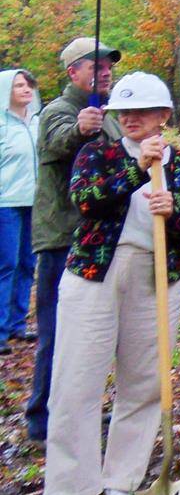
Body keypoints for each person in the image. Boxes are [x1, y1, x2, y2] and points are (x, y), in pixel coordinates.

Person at [43, 73, 180, 495]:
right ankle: (67, 489)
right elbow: (86, 200)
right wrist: (138, 169)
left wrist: (172, 212)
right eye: (124, 112)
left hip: (157, 277)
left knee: (144, 381)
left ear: (165, 116)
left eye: (143, 111)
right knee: (76, 379)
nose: (132, 119)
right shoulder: (98, 153)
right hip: (96, 273)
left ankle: (123, 478)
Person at [26, 38, 122, 447]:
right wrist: (80, 130)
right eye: (95, 66)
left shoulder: (109, 116)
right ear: (73, 73)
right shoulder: (58, 112)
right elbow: (55, 143)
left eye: (108, 66)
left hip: (99, 237)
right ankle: (41, 416)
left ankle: (77, 405)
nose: (105, 71)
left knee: (93, 332)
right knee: (56, 330)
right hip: (63, 238)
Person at [0, 69, 41, 354]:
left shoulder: (38, 122)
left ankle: (17, 323)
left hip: (35, 202)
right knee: (6, 265)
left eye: (28, 85)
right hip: (6, 203)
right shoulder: (2, 125)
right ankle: (0, 329)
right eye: (18, 85)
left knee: (28, 264)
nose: (26, 89)